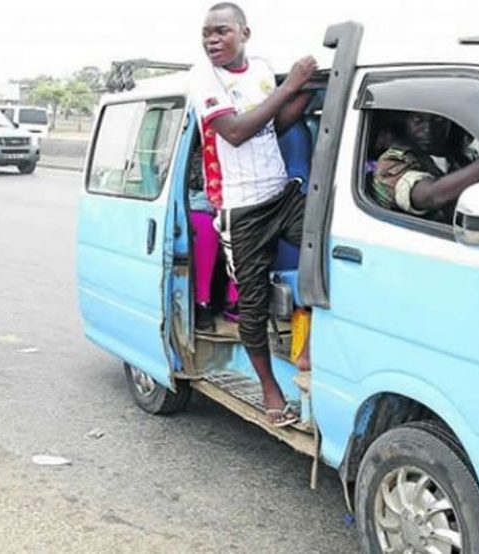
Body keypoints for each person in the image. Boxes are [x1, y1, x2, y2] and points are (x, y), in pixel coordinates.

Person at [190, 2, 316, 426]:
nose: (212, 40)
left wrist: (308, 94)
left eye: (221, 31)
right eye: (207, 33)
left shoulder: (260, 68)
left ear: (245, 33)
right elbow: (237, 132)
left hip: (279, 195)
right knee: (253, 304)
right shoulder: (205, 78)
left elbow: (270, 127)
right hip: (240, 211)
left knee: (327, 254)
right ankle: (269, 388)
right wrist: (288, 87)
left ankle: (310, 346)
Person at [371, 111, 479, 223]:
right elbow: (431, 196)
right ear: (406, 122)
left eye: (438, 121)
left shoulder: (459, 156)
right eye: (417, 120)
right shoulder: (392, 161)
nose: (428, 129)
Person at [188, 141, 239, 332]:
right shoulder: (198, 140)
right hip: (200, 199)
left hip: (237, 197)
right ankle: (202, 302)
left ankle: (234, 299)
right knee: (206, 225)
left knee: (248, 224)